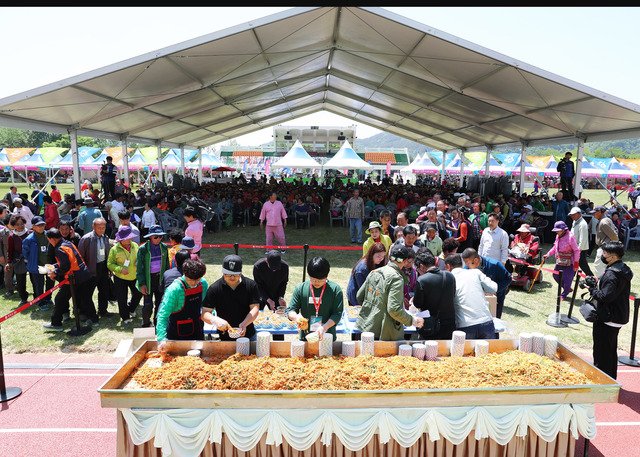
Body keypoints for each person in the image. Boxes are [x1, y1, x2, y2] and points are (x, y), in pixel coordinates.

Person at [356, 244, 424, 341]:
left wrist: (373, 311)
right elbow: (394, 309)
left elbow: (359, 296)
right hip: (384, 331)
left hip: (368, 325)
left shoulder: (374, 272)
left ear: (389, 257)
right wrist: (412, 320)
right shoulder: (396, 278)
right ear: (404, 261)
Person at [589, 241, 633, 380]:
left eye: (605, 253)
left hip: (608, 317)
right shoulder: (623, 269)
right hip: (618, 316)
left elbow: (605, 296)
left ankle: (602, 381)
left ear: (613, 257)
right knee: (610, 350)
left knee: (602, 352)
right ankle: (610, 378)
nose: (603, 255)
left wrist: (592, 289)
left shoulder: (612, 274)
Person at [42, 227, 96, 331]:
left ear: (52, 239)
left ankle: (56, 324)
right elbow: (70, 261)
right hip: (84, 275)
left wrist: (55, 273)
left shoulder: (59, 249)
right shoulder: (67, 243)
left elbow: (66, 266)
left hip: (72, 279)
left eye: (48, 240)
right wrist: (54, 266)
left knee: (59, 299)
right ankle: (94, 320)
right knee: (86, 298)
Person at [203, 255, 261, 341]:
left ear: (240, 272)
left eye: (235, 274)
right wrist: (215, 320)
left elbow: (255, 308)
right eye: (228, 274)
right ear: (223, 272)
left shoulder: (251, 285)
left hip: (248, 334)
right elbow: (205, 313)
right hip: (225, 337)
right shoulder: (214, 288)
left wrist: (245, 323)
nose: (232, 277)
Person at [157, 259, 209, 351]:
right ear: (184, 274)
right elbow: (163, 315)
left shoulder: (203, 284)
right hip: (177, 333)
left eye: (197, 280)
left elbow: (204, 306)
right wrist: (162, 339)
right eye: (190, 280)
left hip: (197, 330)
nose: (193, 283)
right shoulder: (174, 290)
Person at [287, 257, 344, 341]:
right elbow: (291, 310)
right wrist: (296, 317)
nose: (316, 283)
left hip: (327, 335)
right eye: (313, 279)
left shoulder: (335, 290)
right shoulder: (301, 288)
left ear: (327, 276)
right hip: (306, 336)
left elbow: (337, 314)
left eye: (320, 280)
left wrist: (324, 327)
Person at [444, 253, 497, 339]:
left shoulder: (448, 279)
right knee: (488, 352)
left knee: (465, 352)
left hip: (465, 325)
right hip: (486, 321)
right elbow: (494, 288)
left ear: (448, 266)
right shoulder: (476, 272)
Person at [413, 248, 456, 340]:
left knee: (430, 352)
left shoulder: (421, 280)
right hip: (449, 324)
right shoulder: (449, 276)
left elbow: (417, 304)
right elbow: (453, 295)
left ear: (421, 266)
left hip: (430, 325)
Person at [461, 248, 512, 320]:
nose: (466, 265)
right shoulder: (467, 268)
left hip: (496, 299)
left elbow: (508, 279)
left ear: (475, 260)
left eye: (467, 262)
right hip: (477, 300)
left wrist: (495, 290)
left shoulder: (494, 265)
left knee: (495, 324)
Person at [107, 225, 142, 324]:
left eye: (130, 237)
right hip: (120, 277)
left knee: (138, 294)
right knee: (122, 298)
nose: (129, 239)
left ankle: (131, 309)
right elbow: (110, 264)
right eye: (127, 238)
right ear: (121, 239)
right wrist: (119, 269)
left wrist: (139, 262)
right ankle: (125, 316)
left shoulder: (135, 245)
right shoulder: (114, 249)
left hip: (134, 275)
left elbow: (140, 258)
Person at [78, 217, 112, 318]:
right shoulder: (86, 238)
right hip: (91, 268)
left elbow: (107, 253)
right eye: (99, 227)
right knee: (88, 292)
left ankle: (103, 310)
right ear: (93, 227)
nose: (101, 229)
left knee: (104, 290)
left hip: (103, 267)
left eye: (103, 227)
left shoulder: (105, 237)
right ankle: (85, 312)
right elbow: (80, 256)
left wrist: (109, 267)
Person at [136, 225, 169, 328]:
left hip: (160, 279)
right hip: (148, 279)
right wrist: (142, 283)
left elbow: (167, 264)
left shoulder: (164, 247)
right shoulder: (143, 249)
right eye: (156, 237)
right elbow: (139, 268)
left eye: (160, 236)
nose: (158, 239)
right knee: (147, 305)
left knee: (159, 303)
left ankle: (157, 324)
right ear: (150, 237)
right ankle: (145, 324)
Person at [542, 221, 580, 300]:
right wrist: (547, 254)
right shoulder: (557, 236)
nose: (556, 231)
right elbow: (555, 248)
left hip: (570, 262)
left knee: (567, 279)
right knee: (555, 275)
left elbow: (576, 250)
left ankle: (564, 295)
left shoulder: (570, 237)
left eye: (558, 230)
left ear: (563, 230)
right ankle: (567, 288)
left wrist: (576, 262)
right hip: (560, 261)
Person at [22, 216, 51, 311]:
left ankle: (48, 298)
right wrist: (32, 261)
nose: (41, 227)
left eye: (43, 225)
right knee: (39, 284)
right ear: (33, 227)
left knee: (50, 283)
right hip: (36, 266)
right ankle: (41, 302)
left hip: (48, 265)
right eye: (39, 226)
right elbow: (25, 253)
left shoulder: (48, 235)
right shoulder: (29, 240)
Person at [346, 242, 387, 307]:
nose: (381, 259)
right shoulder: (362, 269)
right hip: (356, 300)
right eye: (378, 256)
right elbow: (363, 291)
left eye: (383, 256)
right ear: (371, 254)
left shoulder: (375, 263)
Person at [6, 214, 30, 305]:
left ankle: (37, 297)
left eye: (21, 224)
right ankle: (23, 297)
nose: (20, 226)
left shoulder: (30, 233)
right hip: (19, 261)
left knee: (35, 279)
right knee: (20, 281)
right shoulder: (11, 237)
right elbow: (10, 250)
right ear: (13, 225)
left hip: (31, 259)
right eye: (17, 224)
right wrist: (9, 262)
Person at [591, 205, 619, 278]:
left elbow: (613, 235)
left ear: (600, 212)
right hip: (608, 247)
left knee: (598, 266)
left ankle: (602, 284)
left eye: (595, 212)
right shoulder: (607, 219)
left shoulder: (603, 222)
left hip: (605, 248)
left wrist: (614, 244)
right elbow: (616, 230)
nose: (593, 214)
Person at [569, 207, 594, 276]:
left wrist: (579, 249)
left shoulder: (583, 224)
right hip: (575, 247)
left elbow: (583, 238)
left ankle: (591, 276)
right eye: (571, 215)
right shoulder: (575, 221)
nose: (572, 216)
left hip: (580, 248)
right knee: (575, 262)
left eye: (574, 214)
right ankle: (571, 275)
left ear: (579, 214)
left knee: (582, 264)